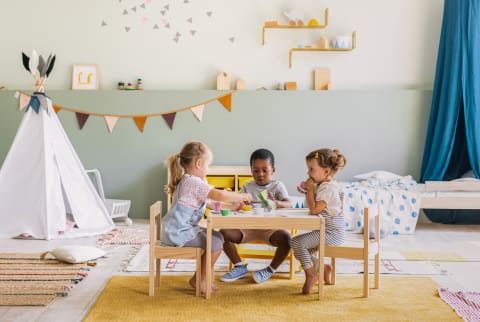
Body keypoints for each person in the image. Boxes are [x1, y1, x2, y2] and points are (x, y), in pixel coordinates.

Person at [161, 141, 252, 293]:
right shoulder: (192, 182)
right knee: (216, 243)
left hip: (182, 229)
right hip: (177, 233)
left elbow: (209, 203)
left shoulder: (192, 181)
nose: (208, 169)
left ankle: (198, 277)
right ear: (199, 163)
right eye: (208, 165)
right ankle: (200, 280)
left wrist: (231, 207)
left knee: (217, 237)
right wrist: (241, 195)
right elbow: (220, 195)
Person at [220, 148, 291, 284]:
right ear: (251, 170)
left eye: (265, 170)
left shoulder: (277, 186)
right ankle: (239, 266)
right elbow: (238, 204)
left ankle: (270, 269)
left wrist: (275, 202)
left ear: (273, 170)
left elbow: (288, 204)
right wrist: (240, 203)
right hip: (247, 228)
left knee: (287, 239)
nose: (260, 174)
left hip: (271, 229)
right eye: (256, 170)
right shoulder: (247, 186)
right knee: (221, 234)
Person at [291, 148, 346, 295]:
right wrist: (307, 190)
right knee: (303, 249)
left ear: (326, 171)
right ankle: (323, 268)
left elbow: (314, 210)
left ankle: (311, 274)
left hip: (332, 233)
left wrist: (309, 190)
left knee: (296, 243)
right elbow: (314, 205)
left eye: (311, 169)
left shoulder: (329, 188)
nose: (308, 173)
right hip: (327, 230)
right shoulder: (324, 185)